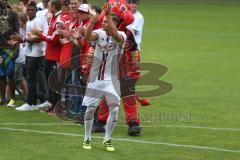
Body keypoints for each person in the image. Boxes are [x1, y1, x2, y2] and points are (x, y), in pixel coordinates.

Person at [82, 2, 126, 152]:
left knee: (114, 109)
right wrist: (92, 22)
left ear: (114, 23)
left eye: (106, 21)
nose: (103, 23)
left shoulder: (122, 36)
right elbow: (88, 36)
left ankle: (107, 139)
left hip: (111, 80)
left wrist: (107, 14)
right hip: (95, 78)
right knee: (90, 109)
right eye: (103, 21)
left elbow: (115, 35)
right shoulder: (99, 33)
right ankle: (87, 138)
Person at [13, 1, 47, 111]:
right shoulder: (29, 22)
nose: (30, 11)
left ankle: (31, 103)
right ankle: (33, 101)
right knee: (31, 78)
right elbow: (28, 37)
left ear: (36, 11)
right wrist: (19, 40)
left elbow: (39, 38)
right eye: (28, 10)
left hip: (36, 54)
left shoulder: (37, 21)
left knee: (31, 78)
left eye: (32, 10)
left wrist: (23, 39)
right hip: (29, 52)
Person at [0, 0, 19, 106]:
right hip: (0, 49)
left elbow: (17, 32)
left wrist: (17, 49)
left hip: (10, 50)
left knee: (10, 74)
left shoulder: (13, 14)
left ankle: (12, 98)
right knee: (1, 75)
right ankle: (2, 98)